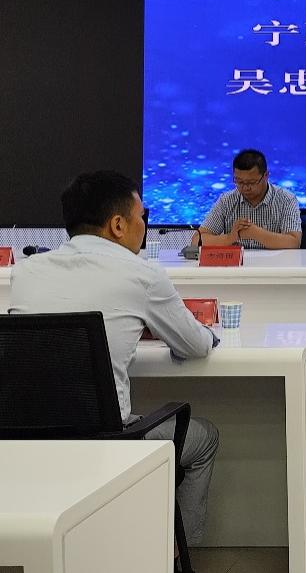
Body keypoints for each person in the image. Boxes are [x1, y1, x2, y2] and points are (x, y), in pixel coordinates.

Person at [8, 170, 220, 547]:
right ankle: (172, 556)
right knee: (203, 437)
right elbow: (195, 346)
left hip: (25, 441)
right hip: (108, 442)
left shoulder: (26, 271)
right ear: (118, 225)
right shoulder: (142, 274)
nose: (144, 226)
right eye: (143, 217)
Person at [199, 148, 302, 249]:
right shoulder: (226, 201)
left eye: (251, 182)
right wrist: (230, 237)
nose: (245, 188)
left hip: (275, 260)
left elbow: (294, 242)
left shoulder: (286, 199)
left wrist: (255, 233)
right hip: (237, 261)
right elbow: (197, 239)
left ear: (266, 176)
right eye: (239, 181)